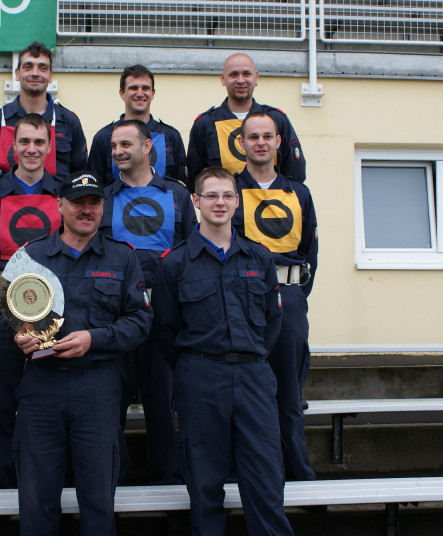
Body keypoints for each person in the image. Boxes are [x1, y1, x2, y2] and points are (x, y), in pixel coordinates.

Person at [152, 166, 293, 536]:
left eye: (227, 195)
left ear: (237, 201)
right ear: (195, 201)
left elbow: (272, 322)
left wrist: (249, 357)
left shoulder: (259, 258)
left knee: (265, 481)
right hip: (201, 380)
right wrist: (197, 365)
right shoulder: (174, 263)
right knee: (204, 484)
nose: (220, 202)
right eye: (211, 195)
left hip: (254, 377)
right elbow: (166, 329)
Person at [10, 171, 152, 536]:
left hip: (97, 388)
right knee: (37, 502)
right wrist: (19, 334)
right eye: (78, 202)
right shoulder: (30, 255)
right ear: (59, 205)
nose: (86, 210)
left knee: (99, 500)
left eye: (94, 203)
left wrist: (95, 338)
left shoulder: (122, 258)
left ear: (103, 207)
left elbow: (140, 321)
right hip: (41, 388)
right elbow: (5, 313)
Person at [99, 119, 196, 484]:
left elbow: (190, 255)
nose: (118, 151)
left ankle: (167, 477)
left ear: (146, 147)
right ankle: (111, 478)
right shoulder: (104, 197)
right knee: (111, 402)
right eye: (114, 146)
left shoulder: (177, 196)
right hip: (115, 315)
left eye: (126, 144)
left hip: (163, 314)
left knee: (163, 402)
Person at [0, 113, 62, 489]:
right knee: (2, 396)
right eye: (24, 141)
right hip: (2, 301)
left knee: (52, 393)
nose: (31, 149)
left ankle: (49, 481)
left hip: (54, 305)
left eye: (39, 142)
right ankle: (4, 483)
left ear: (49, 146)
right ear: (13, 145)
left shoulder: (63, 191)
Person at [234, 111, 319, 483]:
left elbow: (311, 250)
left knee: (288, 392)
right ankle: (244, 473)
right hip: (240, 300)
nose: (260, 143)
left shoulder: (299, 193)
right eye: (253, 137)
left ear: (279, 141)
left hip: (288, 297)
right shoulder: (229, 190)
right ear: (241, 143)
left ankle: (296, 472)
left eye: (267, 136)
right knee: (243, 392)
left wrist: (295, 294)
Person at [187, 52, 306, 188]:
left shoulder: (277, 120)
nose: (240, 80)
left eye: (246, 74)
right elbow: (195, 179)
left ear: (256, 77)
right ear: (223, 79)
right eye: (233, 75)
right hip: (226, 201)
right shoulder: (205, 124)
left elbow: (295, 173)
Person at [0, 41, 87, 179]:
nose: (35, 73)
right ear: (17, 73)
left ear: (50, 76)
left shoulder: (69, 121)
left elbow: (80, 176)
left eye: (42, 68)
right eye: (28, 67)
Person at [88, 65, 186, 184]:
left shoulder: (171, 136)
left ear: (153, 93)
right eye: (133, 88)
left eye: (145, 88)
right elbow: (95, 187)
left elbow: (181, 185)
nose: (140, 94)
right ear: (122, 93)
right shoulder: (103, 138)